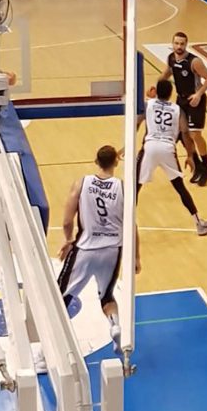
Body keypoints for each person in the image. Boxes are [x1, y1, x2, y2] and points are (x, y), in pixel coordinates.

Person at [57, 145, 140, 355]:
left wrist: (68, 240)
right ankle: (115, 325)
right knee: (107, 296)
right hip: (112, 250)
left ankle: (46, 351)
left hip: (85, 248)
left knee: (60, 298)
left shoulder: (82, 183)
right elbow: (132, 225)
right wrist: (136, 256)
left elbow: (67, 221)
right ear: (116, 162)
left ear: (96, 161)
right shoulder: (123, 188)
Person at [136, 79, 207, 236]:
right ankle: (199, 223)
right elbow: (185, 133)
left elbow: (136, 122)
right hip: (167, 148)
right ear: (171, 93)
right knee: (180, 187)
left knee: (135, 187)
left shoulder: (148, 104)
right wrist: (190, 155)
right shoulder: (177, 109)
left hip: (150, 146)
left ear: (157, 91)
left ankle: (122, 225)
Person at [160, 32, 207, 185]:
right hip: (181, 99)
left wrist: (198, 94)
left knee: (195, 134)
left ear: (186, 44)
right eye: (176, 43)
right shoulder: (171, 58)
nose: (179, 46)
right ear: (172, 43)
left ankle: (206, 165)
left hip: (195, 99)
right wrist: (157, 87)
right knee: (184, 133)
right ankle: (197, 164)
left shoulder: (194, 61)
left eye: (182, 44)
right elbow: (167, 73)